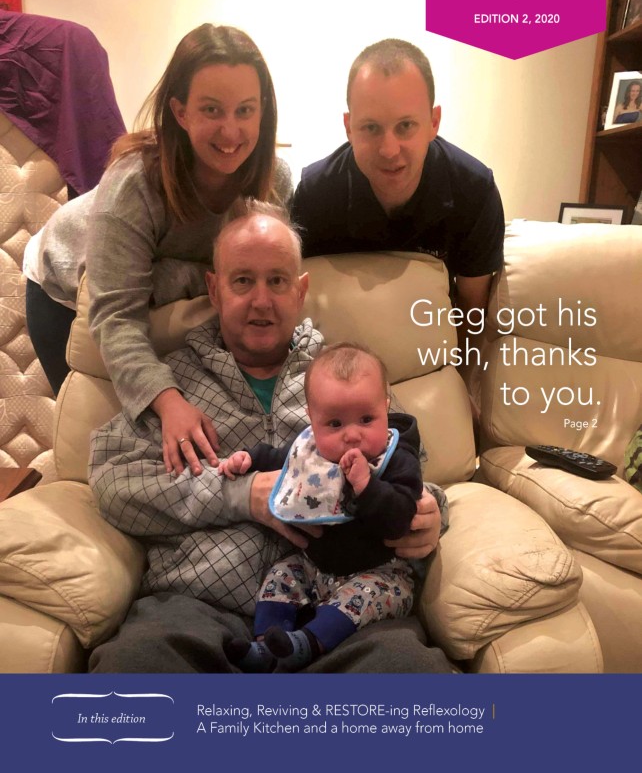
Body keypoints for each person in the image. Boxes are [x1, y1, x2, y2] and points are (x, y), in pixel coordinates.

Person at [87, 202, 453, 674]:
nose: (261, 300)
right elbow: (113, 481)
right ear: (214, 289)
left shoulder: (349, 379)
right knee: (135, 665)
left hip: (343, 604)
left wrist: (429, 512)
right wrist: (239, 495)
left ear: (301, 291)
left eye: (277, 281)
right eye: (243, 280)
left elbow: (414, 471)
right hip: (198, 604)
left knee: (409, 671)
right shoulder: (174, 386)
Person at [23, 24, 291, 469]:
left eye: (245, 110)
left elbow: (264, 278)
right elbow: (115, 315)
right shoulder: (135, 183)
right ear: (180, 112)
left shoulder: (275, 181)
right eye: (211, 109)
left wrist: (173, 275)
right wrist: (166, 400)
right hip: (65, 290)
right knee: (109, 448)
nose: (231, 131)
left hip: (155, 288)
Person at [219, 341, 424, 673]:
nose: (352, 435)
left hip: (379, 573)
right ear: (312, 421)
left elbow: (400, 518)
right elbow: (280, 460)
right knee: (280, 576)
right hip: (312, 567)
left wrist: (367, 486)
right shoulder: (309, 451)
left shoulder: (396, 458)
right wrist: (248, 459)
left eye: (366, 419)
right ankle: (267, 645)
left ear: (386, 409)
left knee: (366, 595)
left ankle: (304, 645)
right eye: (335, 424)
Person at [291, 38, 505, 317]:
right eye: (371, 127)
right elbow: (298, 305)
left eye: (405, 125)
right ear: (349, 128)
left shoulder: (474, 192)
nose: (389, 150)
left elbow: (471, 316)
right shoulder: (315, 194)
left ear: (433, 122)